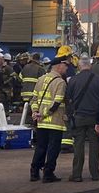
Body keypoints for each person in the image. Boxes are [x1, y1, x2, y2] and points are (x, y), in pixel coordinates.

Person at [29, 55, 69, 183]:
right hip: (55, 122)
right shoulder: (60, 82)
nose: (67, 68)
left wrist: (36, 112)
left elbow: (34, 99)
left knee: (41, 147)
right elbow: (57, 102)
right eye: (65, 65)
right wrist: (45, 114)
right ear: (59, 66)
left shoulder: (41, 79)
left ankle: (34, 172)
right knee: (53, 148)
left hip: (41, 122)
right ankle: (48, 173)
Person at [66, 54, 99, 182]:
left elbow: (68, 99)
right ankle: (95, 174)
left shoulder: (73, 80)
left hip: (79, 117)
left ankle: (77, 175)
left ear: (79, 66)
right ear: (90, 65)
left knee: (78, 146)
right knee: (94, 146)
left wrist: (70, 114)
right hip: (94, 118)